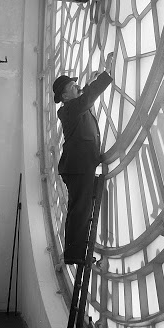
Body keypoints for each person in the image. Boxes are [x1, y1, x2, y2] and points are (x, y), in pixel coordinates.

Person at [53, 54, 114, 265]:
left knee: (81, 208)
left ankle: (76, 252)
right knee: (80, 209)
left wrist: (92, 81)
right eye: (72, 86)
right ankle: (74, 254)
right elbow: (86, 98)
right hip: (78, 166)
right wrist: (106, 74)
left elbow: (84, 96)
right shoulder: (68, 110)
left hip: (80, 165)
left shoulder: (72, 107)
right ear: (64, 96)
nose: (76, 86)